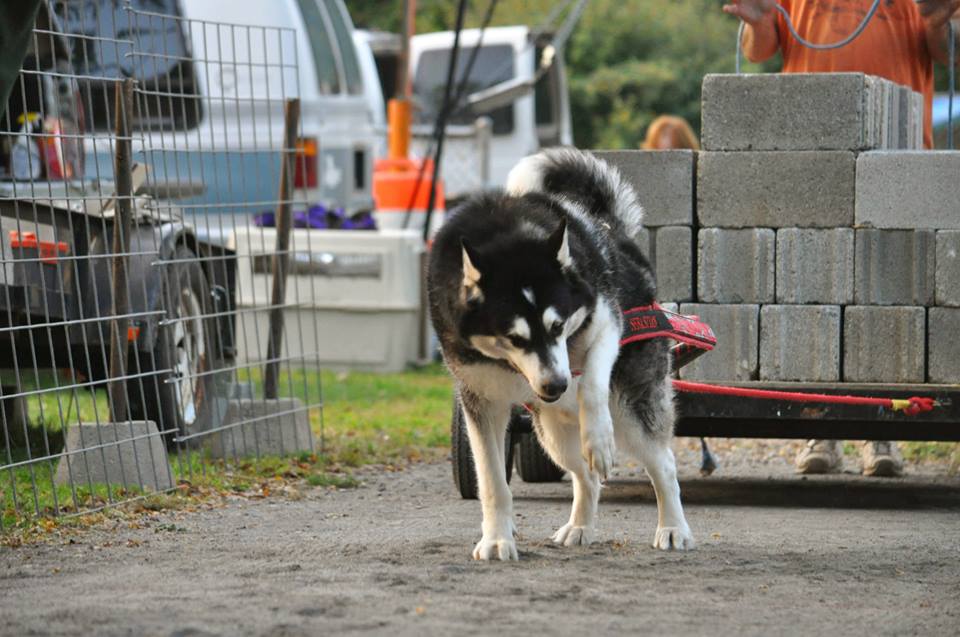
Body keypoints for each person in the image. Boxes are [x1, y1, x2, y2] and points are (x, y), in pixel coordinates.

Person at [722, 0, 960, 476]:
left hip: (901, 150)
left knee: (894, 299)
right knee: (809, 292)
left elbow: (947, 51)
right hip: (812, 157)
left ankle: (883, 434)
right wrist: (758, 22)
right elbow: (760, 48)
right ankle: (822, 427)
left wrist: (938, 21)